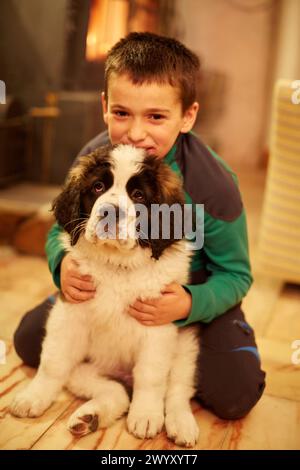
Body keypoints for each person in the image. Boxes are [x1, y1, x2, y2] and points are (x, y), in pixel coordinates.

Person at [14, 32, 265, 420]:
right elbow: (62, 225)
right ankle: (111, 374)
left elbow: (236, 274)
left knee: (235, 392)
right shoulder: (93, 158)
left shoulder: (214, 184)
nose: (135, 132)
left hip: (191, 298)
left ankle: (146, 378)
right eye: (122, 113)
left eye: (156, 116)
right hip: (106, 284)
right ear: (105, 107)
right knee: (29, 340)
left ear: (188, 116)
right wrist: (60, 265)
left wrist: (189, 304)